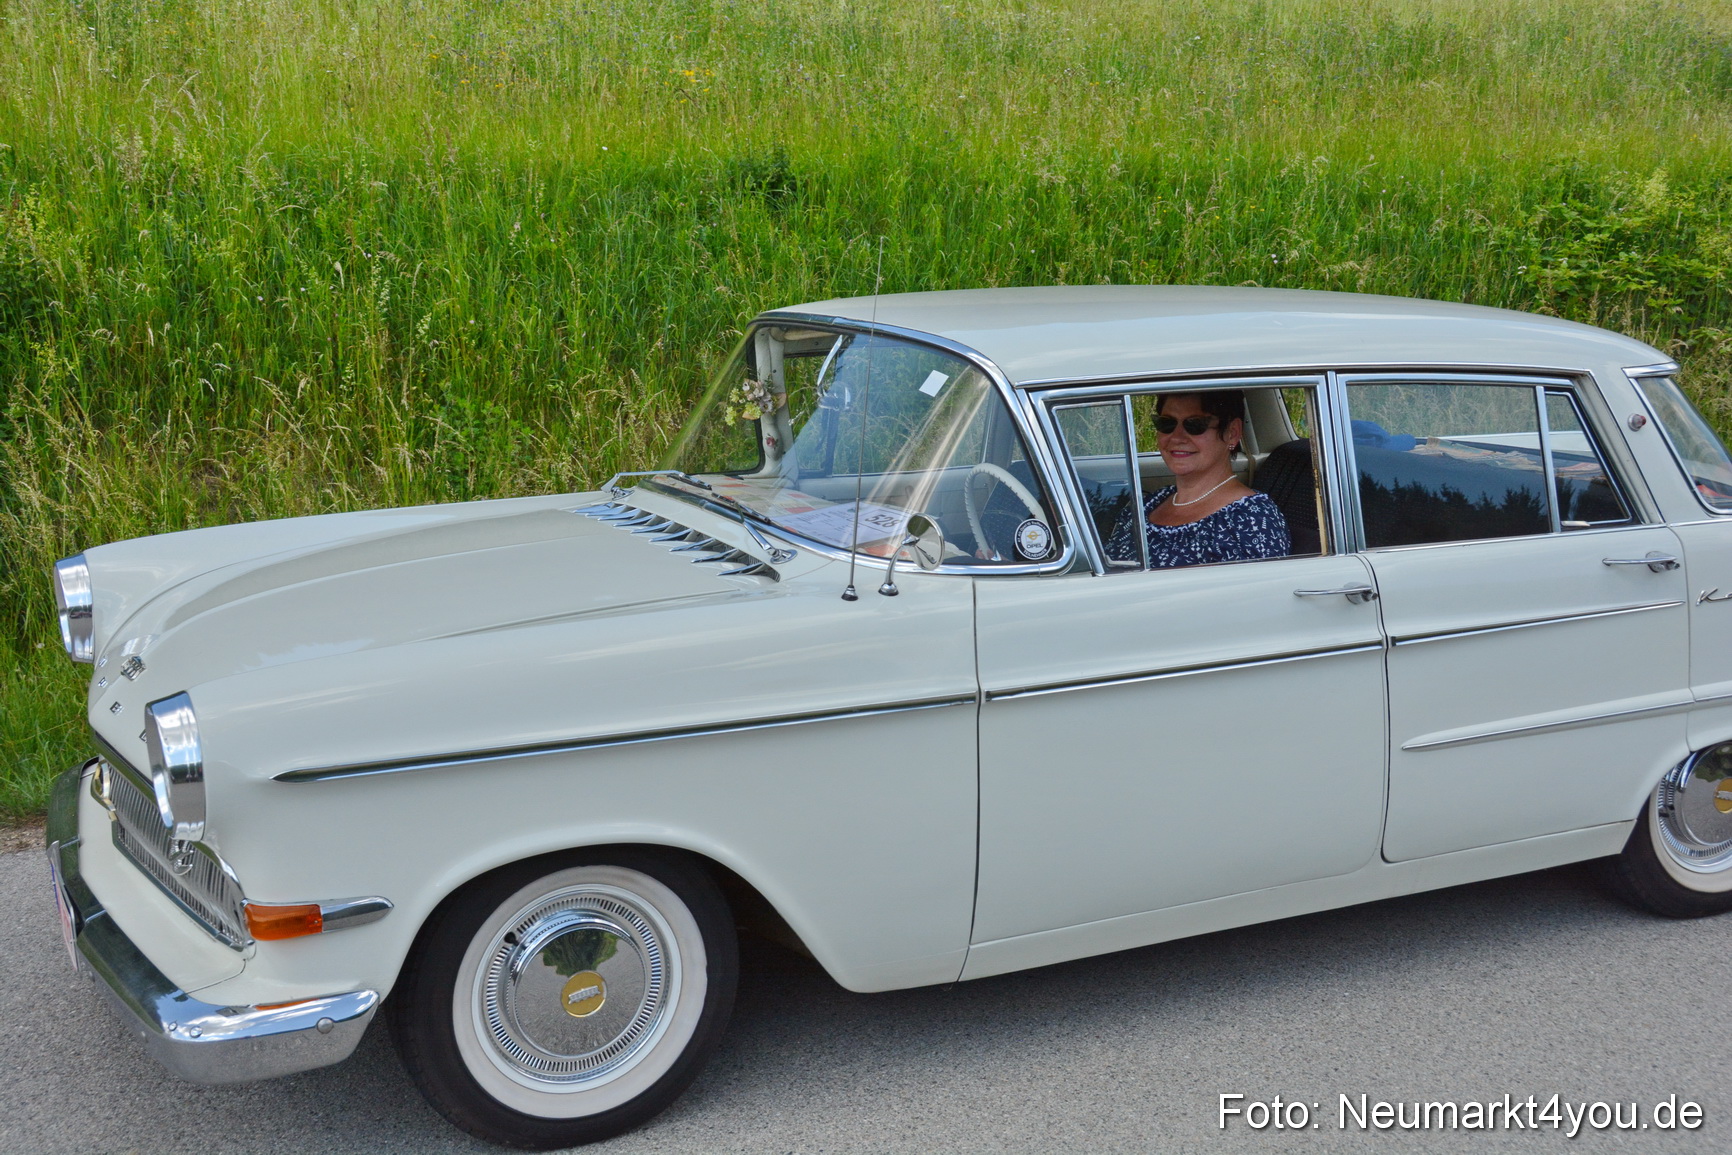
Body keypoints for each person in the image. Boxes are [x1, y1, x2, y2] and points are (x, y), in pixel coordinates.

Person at [1104, 390, 1290, 567]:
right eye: (1166, 424)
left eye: (1195, 425)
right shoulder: (1147, 504)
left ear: (1232, 432)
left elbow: (1265, 595)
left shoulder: (1253, 520)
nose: (1177, 437)